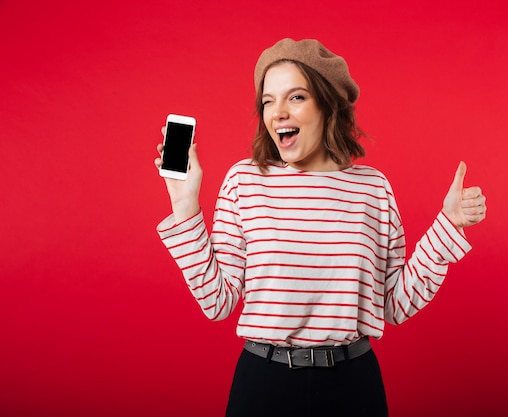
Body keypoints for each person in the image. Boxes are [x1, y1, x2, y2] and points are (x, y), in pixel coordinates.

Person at [154, 38, 486, 417]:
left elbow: (394, 303)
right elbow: (219, 301)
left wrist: (448, 226)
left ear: (328, 106)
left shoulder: (372, 188)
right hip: (264, 387)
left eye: (295, 97)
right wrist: (184, 207)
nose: (278, 112)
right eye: (268, 100)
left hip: (352, 387)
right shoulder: (244, 181)